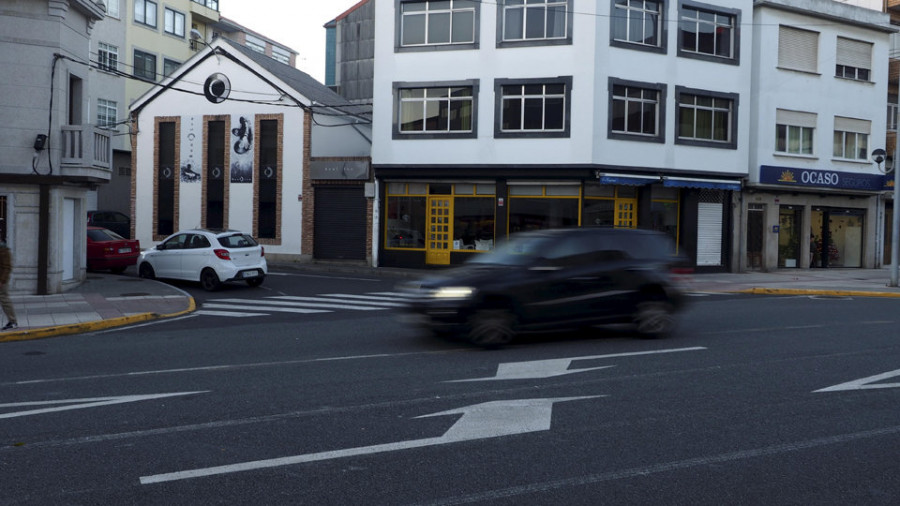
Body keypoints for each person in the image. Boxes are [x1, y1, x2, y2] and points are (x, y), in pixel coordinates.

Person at [0, 241, 17, 330]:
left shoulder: (3, 250)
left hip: (2, 280)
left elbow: (7, 267)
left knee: (4, 299)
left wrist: (2, 280)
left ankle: (13, 321)